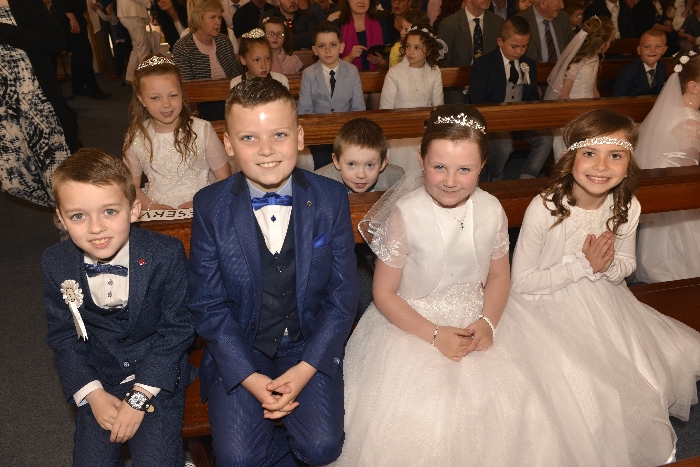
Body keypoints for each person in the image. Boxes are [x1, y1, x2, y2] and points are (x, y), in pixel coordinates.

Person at [331, 104, 679, 467]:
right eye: (439, 167)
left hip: (479, 314)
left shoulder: (491, 209)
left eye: (464, 169)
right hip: (413, 323)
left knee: (522, 404)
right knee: (426, 415)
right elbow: (383, 293)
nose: (450, 180)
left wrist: (488, 322)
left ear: (483, 164)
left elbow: (499, 276)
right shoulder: (407, 214)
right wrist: (434, 335)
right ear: (421, 160)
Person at [510, 109, 700, 459]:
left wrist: (608, 264)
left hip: (607, 302)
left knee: (648, 380)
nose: (601, 166)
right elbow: (521, 282)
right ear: (570, 158)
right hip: (546, 306)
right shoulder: (547, 208)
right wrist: (584, 266)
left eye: (615, 155)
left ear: (629, 164)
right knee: (584, 388)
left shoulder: (627, 205)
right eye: (590, 153)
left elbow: (628, 265)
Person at [188, 78, 359, 466]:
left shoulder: (330, 198)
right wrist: (249, 378)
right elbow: (208, 304)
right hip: (242, 346)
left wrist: (305, 370)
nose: (266, 150)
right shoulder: (210, 206)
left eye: (279, 134)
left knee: (322, 447)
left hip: (307, 343)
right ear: (228, 145)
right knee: (237, 460)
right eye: (249, 138)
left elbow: (343, 296)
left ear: (299, 137)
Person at [43, 149, 196, 467]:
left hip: (156, 376)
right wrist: (93, 394)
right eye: (78, 216)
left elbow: (178, 329)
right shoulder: (55, 263)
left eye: (109, 211)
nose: (96, 228)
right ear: (60, 218)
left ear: (134, 210)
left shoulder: (165, 253)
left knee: (156, 460)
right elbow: (63, 337)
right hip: (99, 375)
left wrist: (139, 396)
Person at [124, 55, 232, 211]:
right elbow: (130, 186)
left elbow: (224, 177)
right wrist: (151, 207)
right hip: (155, 208)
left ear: (182, 92)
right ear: (141, 99)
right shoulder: (136, 136)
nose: (166, 104)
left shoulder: (202, 130)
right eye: (155, 98)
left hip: (201, 206)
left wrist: (201, 202)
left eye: (173, 95)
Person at [634, 51, 700, 282]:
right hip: (680, 186)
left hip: (664, 182)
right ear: (693, 86)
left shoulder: (673, 111)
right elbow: (690, 166)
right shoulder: (690, 122)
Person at [0, 0, 72, 207]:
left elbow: (56, 41)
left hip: (36, 103)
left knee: (57, 174)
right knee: (14, 180)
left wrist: (5, 31)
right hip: (4, 112)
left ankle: (69, 213)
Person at [470, 16, 552, 181]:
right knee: (503, 146)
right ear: (500, 42)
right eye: (514, 46)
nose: (519, 51)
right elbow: (477, 98)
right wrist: (500, 116)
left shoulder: (529, 64)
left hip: (521, 119)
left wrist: (532, 107)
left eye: (524, 46)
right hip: (495, 120)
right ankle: (495, 179)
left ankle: (527, 178)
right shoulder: (484, 64)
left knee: (546, 138)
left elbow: (531, 95)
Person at [545, 16, 614, 158]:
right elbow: (564, 94)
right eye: (610, 41)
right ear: (603, 44)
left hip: (588, 106)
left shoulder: (595, 58)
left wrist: (600, 107)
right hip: (573, 107)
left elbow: (593, 88)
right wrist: (574, 115)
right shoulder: (578, 61)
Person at [173, 0, 241, 120]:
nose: (218, 22)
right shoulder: (183, 47)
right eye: (212, 17)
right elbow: (187, 88)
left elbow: (236, 77)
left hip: (228, 100)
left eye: (219, 17)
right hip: (200, 105)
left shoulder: (224, 41)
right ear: (199, 19)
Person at [315, 117, 405, 192]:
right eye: (351, 164)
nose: (361, 175)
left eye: (370, 165)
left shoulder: (396, 178)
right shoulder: (318, 183)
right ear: (336, 161)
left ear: (383, 164)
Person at [438, 0, 503, 103]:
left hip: (489, 87)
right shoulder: (449, 24)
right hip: (457, 87)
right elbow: (444, 65)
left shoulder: (498, 22)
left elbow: (500, 59)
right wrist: (463, 84)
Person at [299, 22, 365, 114]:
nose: (327, 50)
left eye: (333, 45)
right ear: (315, 50)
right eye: (322, 46)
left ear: (341, 47)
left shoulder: (352, 71)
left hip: (346, 122)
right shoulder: (308, 74)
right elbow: (304, 111)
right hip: (318, 122)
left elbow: (359, 108)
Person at [380, 26, 444, 108]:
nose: (410, 51)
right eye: (408, 46)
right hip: (400, 115)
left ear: (428, 50)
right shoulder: (394, 73)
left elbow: (438, 106)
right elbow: (386, 108)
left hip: (426, 115)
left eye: (417, 48)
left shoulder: (434, 71)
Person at [65, 0, 111, 98]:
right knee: (85, 54)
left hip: (76, 17)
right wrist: (72, 19)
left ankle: (77, 86)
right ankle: (92, 88)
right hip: (72, 18)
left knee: (77, 55)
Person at [336, 0, 390, 71]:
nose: (362, 1)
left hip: (376, 77)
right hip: (346, 77)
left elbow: (391, 61)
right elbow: (329, 65)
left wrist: (381, 62)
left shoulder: (381, 24)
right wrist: (349, 58)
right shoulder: (336, 26)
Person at [613, 28, 668, 96]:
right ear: (639, 50)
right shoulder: (628, 71)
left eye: (658, 46)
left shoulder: (662, 67)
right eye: (647, 47)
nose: (652, 50)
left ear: (664, 50)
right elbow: (619, 96)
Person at [117, 0, 151, 85]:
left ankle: (131, 77)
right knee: (143, 47)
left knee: (137, 47)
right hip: (131, 12)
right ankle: (147, 79)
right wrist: (149, 3)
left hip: (130, 12)